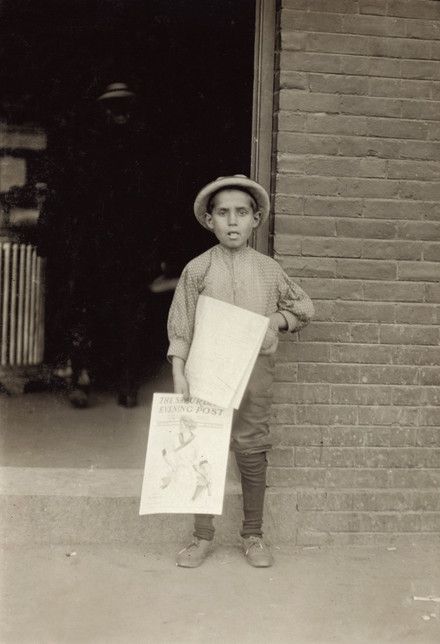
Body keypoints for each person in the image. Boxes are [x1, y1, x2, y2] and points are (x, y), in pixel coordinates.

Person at [167, 175, 314, 568]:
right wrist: (180, 372)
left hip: (254, 371)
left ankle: (253, 535)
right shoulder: (197, 270)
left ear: (256, 219)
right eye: (222, 213)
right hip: (207, 371)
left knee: (250, 448)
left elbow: (304, 308)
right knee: (206, 447)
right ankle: (201, 537)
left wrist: (274, 321)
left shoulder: (268, 270)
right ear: (209, 221)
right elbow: (181, 326)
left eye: (242, 213)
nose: (232, 222)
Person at [54, 82, 176, 409]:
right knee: (87, 312)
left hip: (130, 249)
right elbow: (73, 202)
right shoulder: (86, 149)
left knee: (130, 316)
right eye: (113, 107)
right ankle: (83, 379)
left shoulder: (146, 151)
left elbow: (156, 206)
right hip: (92, 247)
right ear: (103, 111)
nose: (119, 113)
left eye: (124, 107)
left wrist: (157, 254)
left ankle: (126, 384)